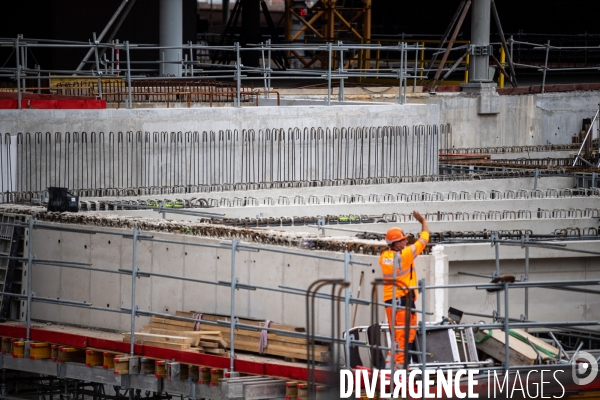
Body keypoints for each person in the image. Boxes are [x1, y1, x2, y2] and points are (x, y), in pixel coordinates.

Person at [378, 210, 429, 369]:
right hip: (402, 302)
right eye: (403, 240)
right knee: (402, 336)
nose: (406, 242)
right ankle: (397, 372)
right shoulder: (406, 255)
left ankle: (394, 368)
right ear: (396, 243)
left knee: (401, 336)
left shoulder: (384, 256)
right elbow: (424, 238)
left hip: (392, 301)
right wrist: (423, 221)